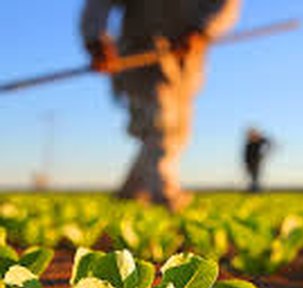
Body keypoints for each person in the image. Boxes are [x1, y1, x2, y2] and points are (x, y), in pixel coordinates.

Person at [80, 0, 241, 211]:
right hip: (141, 53)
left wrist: (203, 30)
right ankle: (165, 193)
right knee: (161, 124)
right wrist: (95, 39)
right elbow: (99, 5)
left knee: (178, 132)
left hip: (185, 58)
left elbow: (225, 5)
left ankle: (130, 193)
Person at [244, 127, 271, 192]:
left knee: (255, 176)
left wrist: (264, 152)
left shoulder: (259, 141)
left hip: (256, 161)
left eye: (251, 134)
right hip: (250, 162)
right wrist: (246, 163)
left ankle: (255, 189)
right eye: (249, 135)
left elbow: (268, 143)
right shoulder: (249, 144)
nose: (250, 136)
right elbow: (246, 154)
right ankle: (254, 188)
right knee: (253, 176)